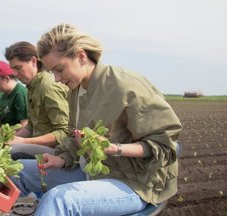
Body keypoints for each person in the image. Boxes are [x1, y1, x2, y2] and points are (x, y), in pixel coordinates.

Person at [10, 24, 182, 215]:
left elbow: (165, 146)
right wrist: (62, 159)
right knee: (15, 170)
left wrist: (114, 148)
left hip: (133, 182)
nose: (57, 79)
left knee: (59, 199)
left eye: (60, 69)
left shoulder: (125, 86)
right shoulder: (75, 91)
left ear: (81, 56)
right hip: (91, 173)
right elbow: (75, 137)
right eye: (53, 72)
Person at [4, 41, 69, 159]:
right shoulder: (32, 87)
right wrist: (12, 139)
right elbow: (31, 126)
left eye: (18, 68)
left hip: (59, 152)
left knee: (13, 151)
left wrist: (23, 142)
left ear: (33, 61)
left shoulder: (48, 86)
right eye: (13, 69)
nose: (15, 74)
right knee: (4, 147)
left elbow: (64, 133)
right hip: (41, 146)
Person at [0, 61, 28, 130]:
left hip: (17, 137)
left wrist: (2, 130)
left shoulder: (20, 94)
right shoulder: (4, 95)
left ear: (7, 78)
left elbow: (25, 124)